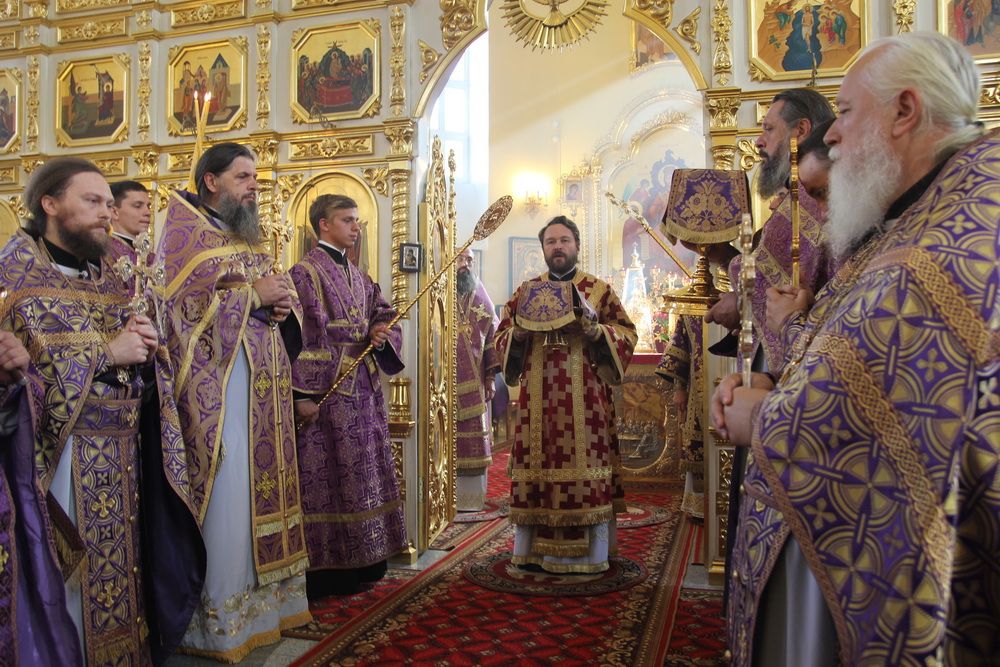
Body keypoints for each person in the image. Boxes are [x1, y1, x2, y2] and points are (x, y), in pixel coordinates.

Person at [714, 32, 998, 665]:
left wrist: (768, 418)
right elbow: (857, 353)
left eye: (844, 111)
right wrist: (777, 384)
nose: (832, 133)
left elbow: (923, 419)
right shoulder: (918, 214)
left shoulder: (960, 235)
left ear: (905, 111)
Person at [0, 157, 203, 664]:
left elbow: (141, 357)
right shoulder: (12, 274)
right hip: (56, 462)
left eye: (109, 204)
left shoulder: (112, 274)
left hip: (123, 454)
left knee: (120, 573)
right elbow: (14, 377)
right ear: (50, 204)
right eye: (92, 201)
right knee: (64, 579)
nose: (106, 214)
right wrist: (107, 353)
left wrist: (150, 349)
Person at [159, 143, 310, 661]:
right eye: (243, 176)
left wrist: (283, 305)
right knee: (230, 497)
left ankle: (266, 610)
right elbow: (177, 312)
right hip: (220, 396)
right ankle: (218, 624)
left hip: (265, 393)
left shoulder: (245, 237)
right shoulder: (186, 236)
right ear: (211, 181)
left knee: (259, 493)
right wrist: (252, 296)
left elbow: (273, 294)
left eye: (254, 176)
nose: (254, 185)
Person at [496, 216, 637, 573]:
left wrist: (595, 331)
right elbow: (501, 336)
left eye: (564, 241)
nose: (557, 247)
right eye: (550, 242)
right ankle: (531, 552)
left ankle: (592, 555)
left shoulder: (599, 291)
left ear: (576, 245)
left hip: (586, 403)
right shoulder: (526, 292)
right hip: (537, 404)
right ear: (543, 249)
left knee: (584, 468)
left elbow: (626, 333)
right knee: (538, 468)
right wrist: (519, 335)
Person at [289, 194, 406, 597]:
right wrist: (301, 395)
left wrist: (381, 331)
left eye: (357, 220)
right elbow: (301, 337)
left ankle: (367, 561)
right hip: (328, 396)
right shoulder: (304, 273)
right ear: (323, 224)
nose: (356, 227)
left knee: (364, 476)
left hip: (364, 394)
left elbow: (383, 312)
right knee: (329, 479)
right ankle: (328, 572)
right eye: (347, 220)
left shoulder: (360, 275)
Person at [454, 247, 500, 511]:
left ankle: (472, 501)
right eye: (461, 259)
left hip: (476, 382)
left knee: (474, 439)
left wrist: (491, 377)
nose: (466, 264)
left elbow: (493, 334)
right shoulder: (439, 292)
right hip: (444, 381)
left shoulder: (480, 294)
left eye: (470, 260)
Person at [109, 180, 151, 248]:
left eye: (148, 207)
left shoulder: (150, 254)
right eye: (137, 206)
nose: (148, 213)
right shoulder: (102, 252)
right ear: (114, 212)